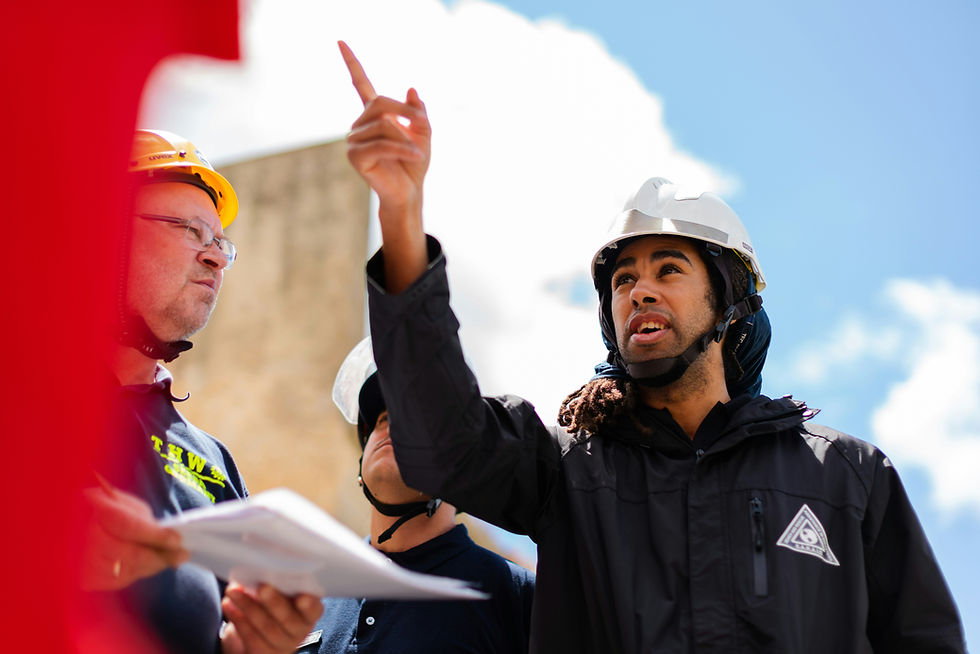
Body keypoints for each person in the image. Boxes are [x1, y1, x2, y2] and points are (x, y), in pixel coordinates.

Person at [338, 42, 967, 654]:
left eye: (669, 270)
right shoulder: (565, 470)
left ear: (730, 303)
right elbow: (438, 430)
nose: (640, 291)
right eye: (623, 280)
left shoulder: (847, 478)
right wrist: (401, 211)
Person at [82, 129, 323, 654]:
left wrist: (253, 646)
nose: (215, 258)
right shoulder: (28, 399)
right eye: (191, 230)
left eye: (220, 242)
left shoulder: (211, 459)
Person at [298, 338, 534, 653]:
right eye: (382, 419)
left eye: (416, 419)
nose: (391, 425)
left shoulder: (516, 597)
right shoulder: (309, 596)